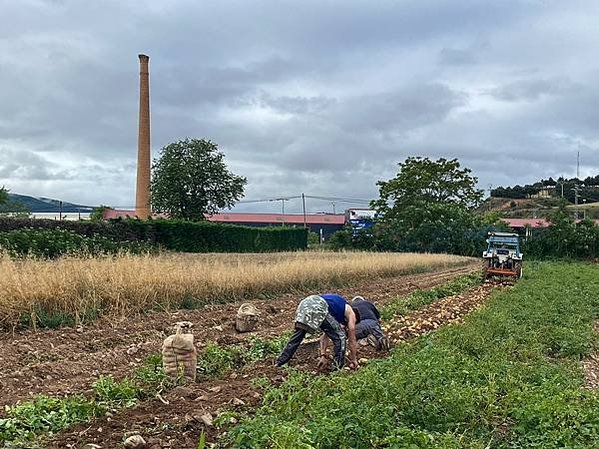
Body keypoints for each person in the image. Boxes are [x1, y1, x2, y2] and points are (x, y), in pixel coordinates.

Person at [275, 293, 360, 370]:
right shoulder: (351, 313)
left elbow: (325, 335)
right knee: (340, 337)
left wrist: (323, 355)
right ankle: (337, 367)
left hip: (305, 304)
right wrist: (354, 359)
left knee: (297, 337)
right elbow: (352, 340)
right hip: (318, 305)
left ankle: (279, 362)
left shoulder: (337, 308)